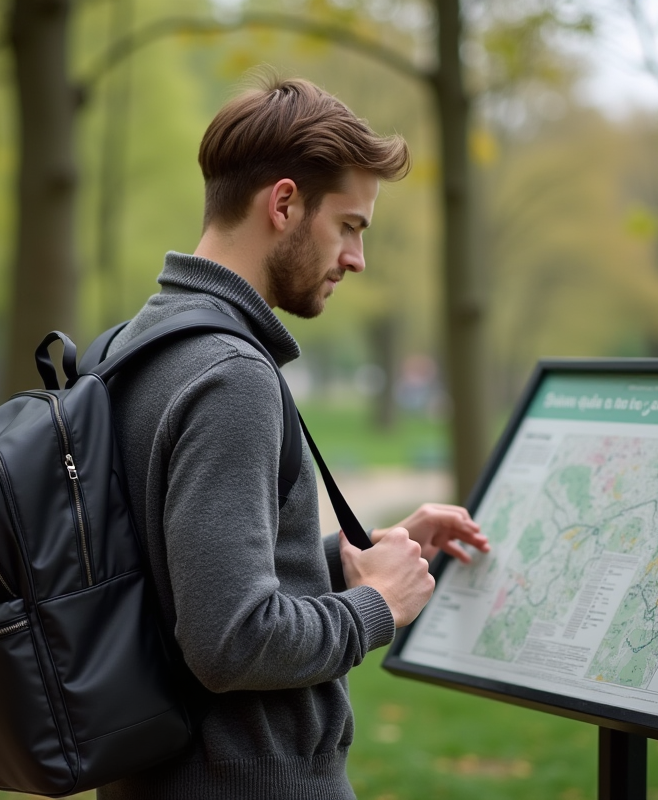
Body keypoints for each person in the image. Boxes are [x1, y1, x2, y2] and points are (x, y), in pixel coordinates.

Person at [98, 75, 489, 800]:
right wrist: (380, 607)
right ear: (283, 204)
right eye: (350, 225)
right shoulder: (231, 376)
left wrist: (355, 560)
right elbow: (231, 641)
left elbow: (182, 575)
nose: (357, 258)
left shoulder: (135, 342)